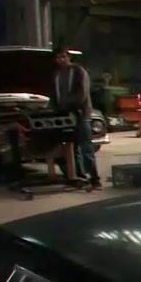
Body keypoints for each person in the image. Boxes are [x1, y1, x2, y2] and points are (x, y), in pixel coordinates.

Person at [51, 46, 101, 189]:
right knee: (72, 148)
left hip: (80, 114)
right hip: (64, 115)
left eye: (63, 57)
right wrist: (56, 109)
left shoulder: (78, 71)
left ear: (69, 57)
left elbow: (82, 94)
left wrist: (68, 105)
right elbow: (54, 95)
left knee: (86, 147)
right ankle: (80, 176)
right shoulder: (56, 75)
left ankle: (94, 178)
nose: (61, 60)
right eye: (58, 57)